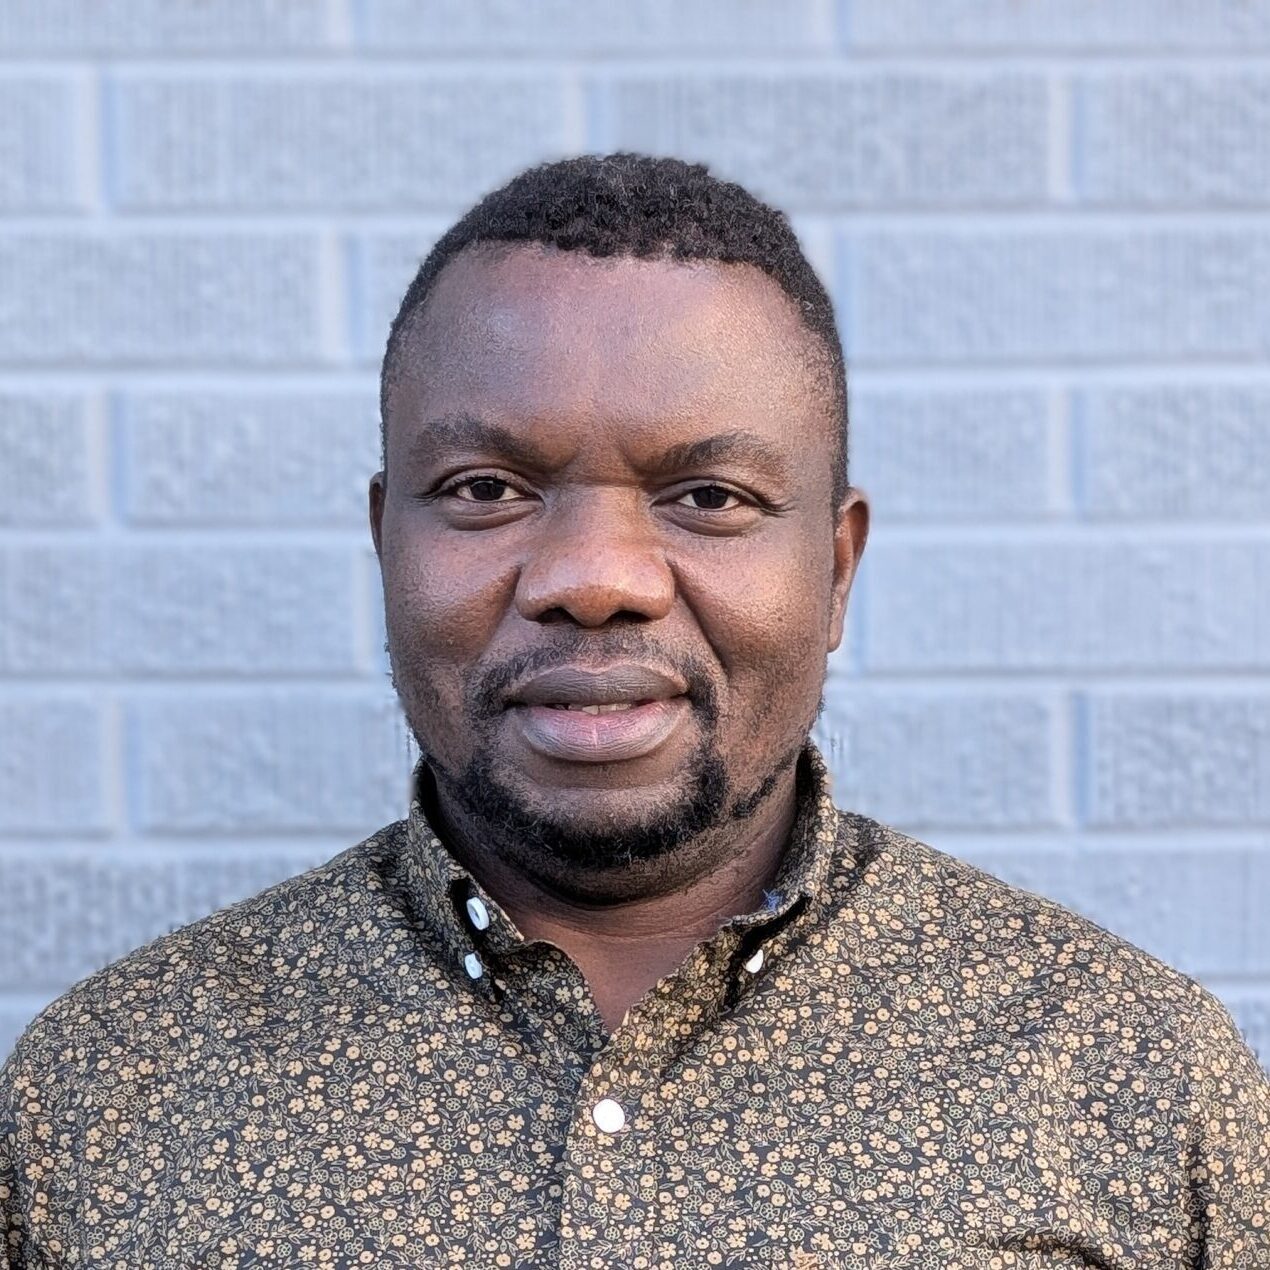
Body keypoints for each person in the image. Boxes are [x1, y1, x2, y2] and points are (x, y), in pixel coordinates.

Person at [2, 154, 1266, 1269]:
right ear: (382, 540)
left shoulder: (1127, 1070)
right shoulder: (109, 1095)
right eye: (487, 487)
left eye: (707, 497)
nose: (593, 579)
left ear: (835, 568)